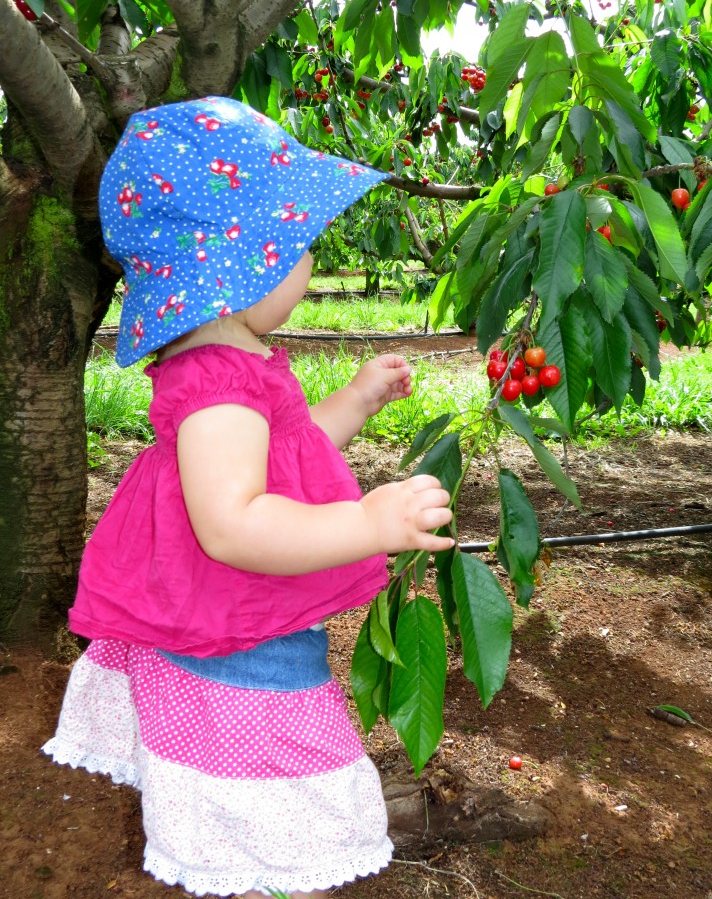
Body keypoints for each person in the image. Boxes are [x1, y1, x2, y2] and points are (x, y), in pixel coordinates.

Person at [43, 96, 454, 899]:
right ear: (238, 268)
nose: (307, 268)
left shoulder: (234, 369)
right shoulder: (219, 391)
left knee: (256, 773)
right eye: (297, 248)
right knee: (267, 770)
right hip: (237, 631)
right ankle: (258, 867)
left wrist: (355, 403)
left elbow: (283, 465)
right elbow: (235, 525)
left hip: (231, 618)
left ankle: (251, 860)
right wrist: (368, 521)